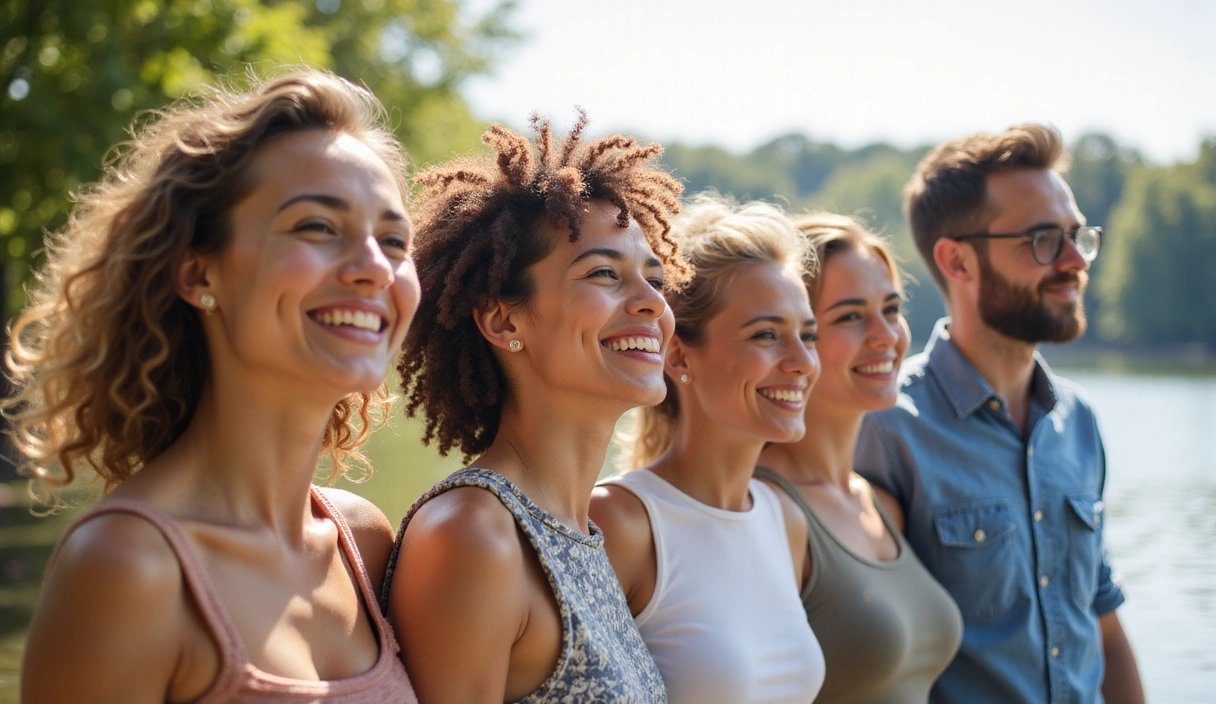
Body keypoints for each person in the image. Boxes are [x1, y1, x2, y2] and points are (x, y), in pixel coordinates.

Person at [12, 70, 420, 702]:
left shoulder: (362, 539)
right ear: (198, 272)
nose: (373, 266)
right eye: (316, 226)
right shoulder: (127, 568)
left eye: (394, 240)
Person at [378, 112, 682, 704]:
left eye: (655, 278)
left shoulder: (582, 534)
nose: (652, 303)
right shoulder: (474, 534)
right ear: (503, 318)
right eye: (604, 273)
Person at [856, 124, 1145, 704]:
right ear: (957, 261)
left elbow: (1103, 624)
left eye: (1077, 236)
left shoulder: (1078, 420)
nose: (1073, 261)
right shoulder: (885, 427)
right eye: (1043, 240)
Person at [590, 196, 826, 704]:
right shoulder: (619, 523)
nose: (803, 362)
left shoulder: (785, 520)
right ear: (678, 354)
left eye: (808, 335)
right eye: (767, 334)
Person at [754, 212, 962, 703]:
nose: (886, 336)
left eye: (891, 309)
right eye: (850, 316)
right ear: (793, 336)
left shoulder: (879, 505)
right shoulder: (763, 511)